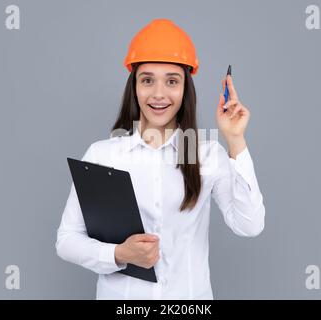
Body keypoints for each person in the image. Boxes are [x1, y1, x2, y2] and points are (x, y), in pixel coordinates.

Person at [56, 18, 265, 299]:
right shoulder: (103, 155)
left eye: (171, 81)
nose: (158, 94)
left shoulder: (205, 154)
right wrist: (118, 254)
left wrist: (235, 139)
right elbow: (67, 240)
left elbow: (249, 225)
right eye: (147, 80)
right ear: (135, 88)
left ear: (184, 89)